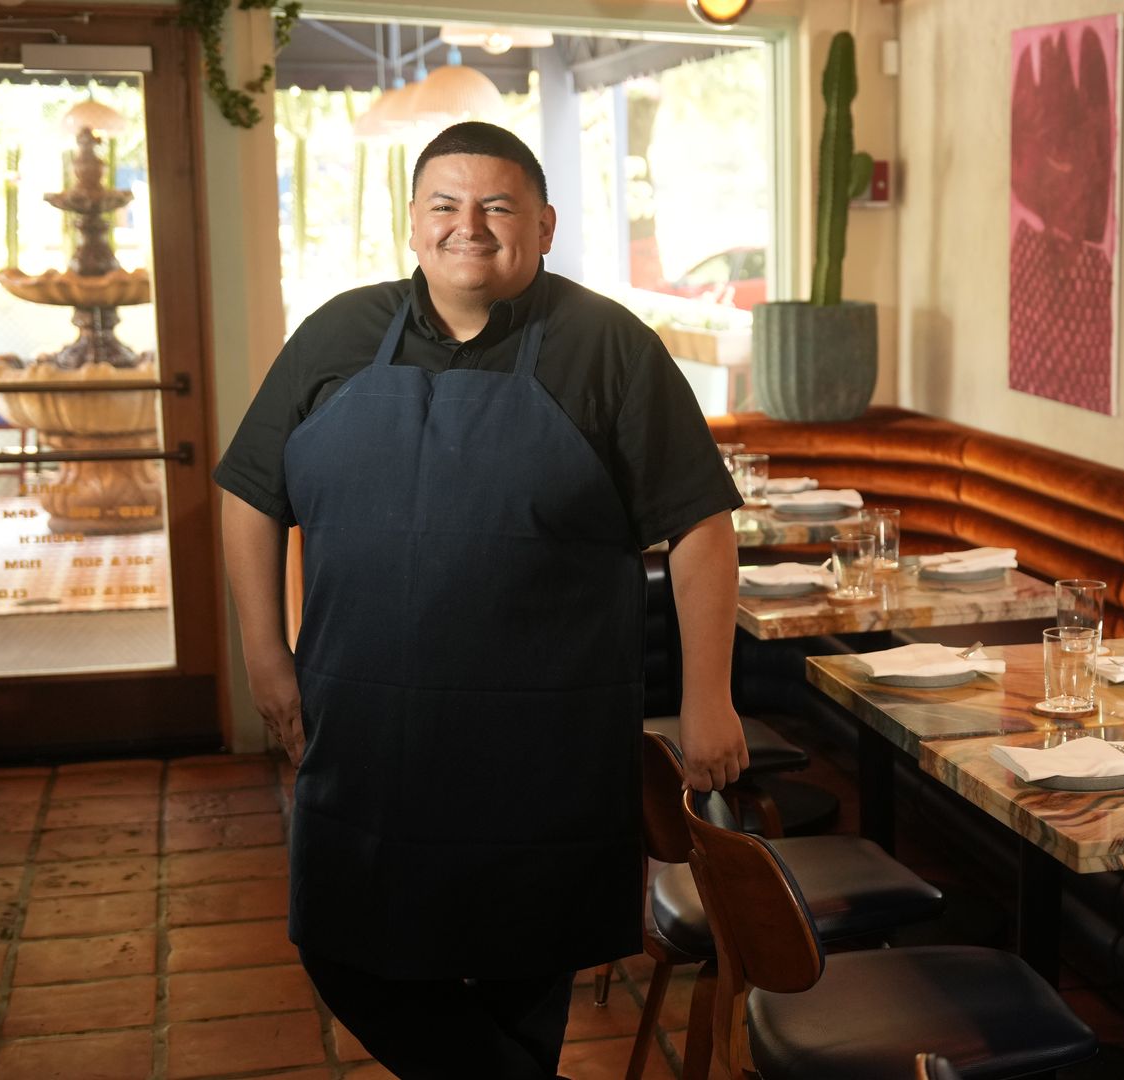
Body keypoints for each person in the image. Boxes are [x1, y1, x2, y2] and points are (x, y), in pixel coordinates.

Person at [214, 121, 749, 1078]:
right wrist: (266, 655)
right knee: (344, 950)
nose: (471, 226)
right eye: (446, 206)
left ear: (542, 226)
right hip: (367, 729)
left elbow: (702, 525)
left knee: (521, 975)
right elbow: (252, 493)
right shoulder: (337, 334)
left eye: (498, 207)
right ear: (413, 224)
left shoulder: (608, 345)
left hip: (541, 745)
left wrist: (710, 693)